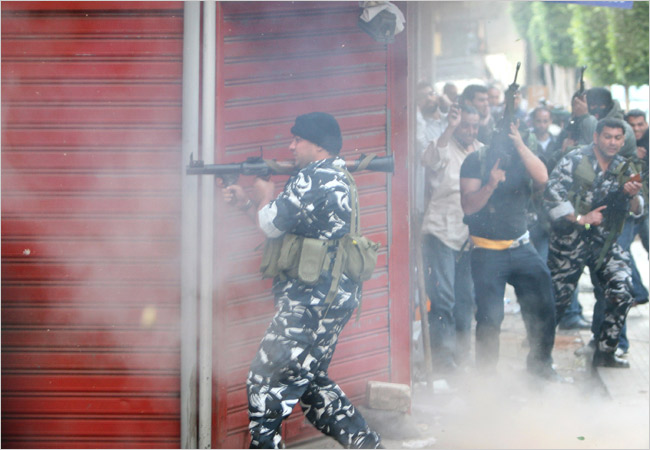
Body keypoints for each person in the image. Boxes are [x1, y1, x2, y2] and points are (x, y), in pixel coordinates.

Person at [222, 112, 383, 449]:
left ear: (319, 145)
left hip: (309, 302)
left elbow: (269, 224)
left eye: (298, 139)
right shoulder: (332, 174)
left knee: (264, 380)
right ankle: (367, 445)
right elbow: (281, 226)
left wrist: (264, 191)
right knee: (311, 384)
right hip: (329, 300)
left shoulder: (313, 177)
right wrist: (250, 202)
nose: (291, 145)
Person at [459, 118, 559, 381]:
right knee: (490, 319)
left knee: (543, 306)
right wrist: (490, 185)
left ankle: (541, 366)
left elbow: (543, 177)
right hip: (487, 252)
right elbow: (468, 206)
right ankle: (486, 378)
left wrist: (521, 145)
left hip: (522, 247)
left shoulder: (523, 157)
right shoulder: (475, 161)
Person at [544, 118, 643, 368]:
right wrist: (580, 218)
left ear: (623, 140)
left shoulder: (624, 166)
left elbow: (637, 208)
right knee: (557, 301)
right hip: (569, 240)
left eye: (617, 138)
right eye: (607, 137)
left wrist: (631, 196)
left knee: (622, 290)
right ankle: (539, 359)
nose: (612, 142)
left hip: (604, 242)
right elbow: (551, 197)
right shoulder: (574, 159)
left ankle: (605, 352)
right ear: (596, 137)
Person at [421, 104, 481, 372]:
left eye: (473, 126)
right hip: (440, 232)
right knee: (443, 299)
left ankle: (462, 358)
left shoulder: (482, 151)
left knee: (466, 299)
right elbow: (430, 160)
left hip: (469, 236)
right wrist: (450, 127)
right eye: (465, 125)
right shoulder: (442, 144)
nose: (469, 131)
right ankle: (443, 361)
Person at [529, 106, 591, 331]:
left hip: (565, 223)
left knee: (564, 272)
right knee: (547, 273)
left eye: (546, 120)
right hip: (543, 221)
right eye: (538, 120)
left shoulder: (571, 149)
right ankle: (542, 323)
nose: (542, 124)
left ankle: (568, 316)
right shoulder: (543, 145)